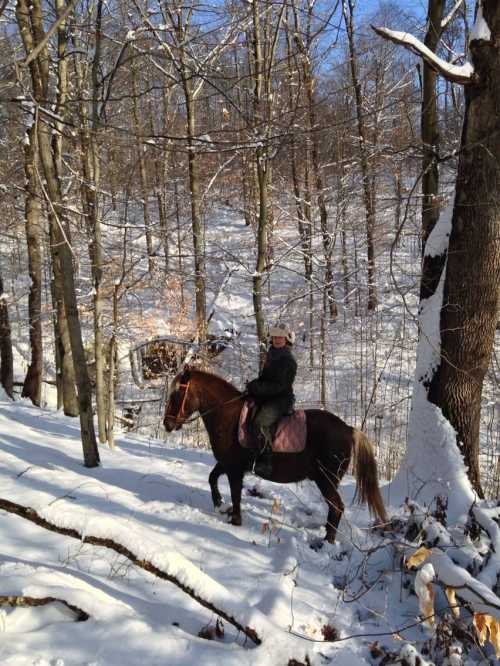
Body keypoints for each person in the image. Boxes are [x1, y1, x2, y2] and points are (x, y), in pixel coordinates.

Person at [246, 323, 297, 477]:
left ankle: (266, 462)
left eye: (280, 337)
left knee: (260, 422)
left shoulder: (288, 360)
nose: (277, 340)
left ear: (286, 339)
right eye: (274, 337)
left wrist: (257, 387)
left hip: (281, 399)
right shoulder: (272, 354)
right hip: (269, 396)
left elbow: (280, 386)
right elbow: (265, 379)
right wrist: (252, 387)